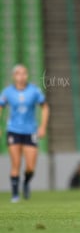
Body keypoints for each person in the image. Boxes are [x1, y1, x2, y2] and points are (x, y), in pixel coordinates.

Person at [0, 64, 49, 202]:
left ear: (27, 75)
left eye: (24, 73)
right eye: (18, 74)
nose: (21, 76)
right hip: (13, 131)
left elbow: (45, 107)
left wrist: (42, 127)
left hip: (30, 131)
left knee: (30, 167)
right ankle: (15, 195)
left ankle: (26, 182)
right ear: (14, 76)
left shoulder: (34, 91)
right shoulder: (8, 92)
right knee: (15, 164)